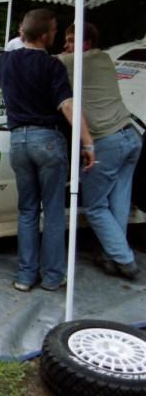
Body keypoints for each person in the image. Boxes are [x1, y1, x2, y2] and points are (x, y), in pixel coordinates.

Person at [0, 8, 94, 292]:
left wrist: (19, 39)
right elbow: (67, 106)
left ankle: (25, 277)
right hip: (47, 141)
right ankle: (51, 277)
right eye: (54, 30)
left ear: (22, 33)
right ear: (48, 35)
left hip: (18, 143)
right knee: (53, 211)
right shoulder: (53, 67)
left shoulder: (5, 62)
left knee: (27, 211)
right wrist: (87, 143)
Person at [58, 22, 141, 280]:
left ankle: (126, 260)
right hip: (131, 137)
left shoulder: (77, 62)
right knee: (118, 201)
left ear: (87, 43)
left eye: (72, 40)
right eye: (66, 40)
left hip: (108, 142)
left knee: (94, 207)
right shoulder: (104, 58)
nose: (67, 45)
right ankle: (111, 255)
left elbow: (41, 62)